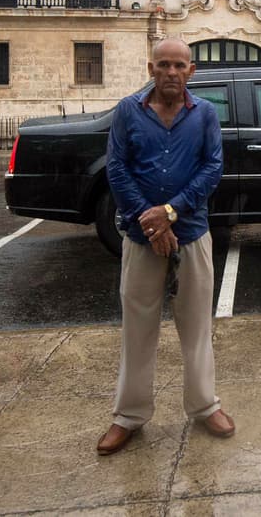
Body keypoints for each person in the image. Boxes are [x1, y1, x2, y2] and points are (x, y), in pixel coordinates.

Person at [96, 38, 234, 456]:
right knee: (138, 327)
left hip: (191, 231)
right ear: (151, 68)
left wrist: (171, 212)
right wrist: (151, 221)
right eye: (163, 65)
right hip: (141, 237)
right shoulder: (128, 111)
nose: (171, 72)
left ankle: (204, 405)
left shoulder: (205, 115)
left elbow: (213, 168)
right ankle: (129, 416)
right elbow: (117, 169)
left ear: (191, 71)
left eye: (179, 65)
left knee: (196, 326)